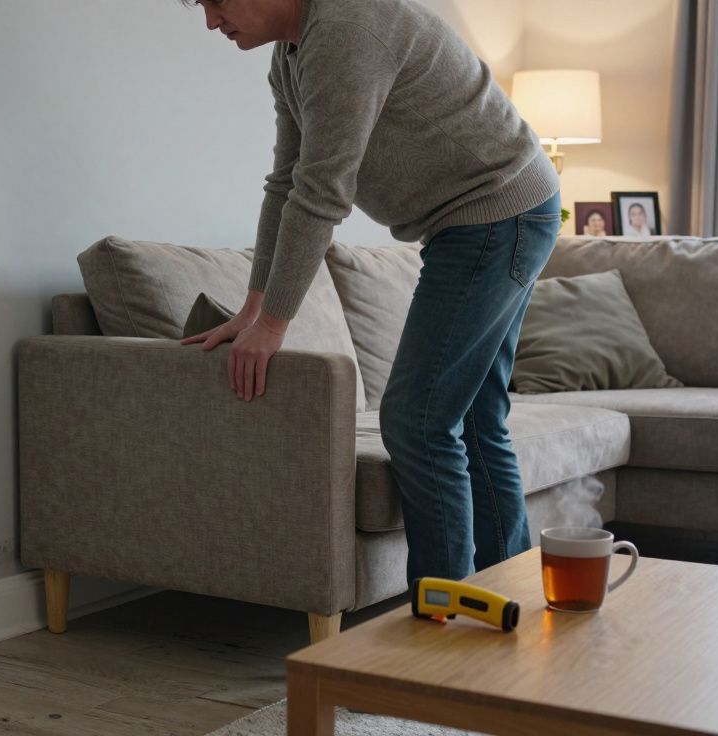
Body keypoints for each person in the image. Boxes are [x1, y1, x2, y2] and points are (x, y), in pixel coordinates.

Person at [177, 0, 562, 584]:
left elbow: (324, 193)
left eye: (216, 0)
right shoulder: (291, 54)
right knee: (476, 419)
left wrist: (273, 327)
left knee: (416, 419)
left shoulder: (347, 30)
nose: (211, 20)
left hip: (497, 213)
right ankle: (508, 598)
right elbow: (287, 183)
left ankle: (439, 622)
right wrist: (253, 307)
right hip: (486, 216)